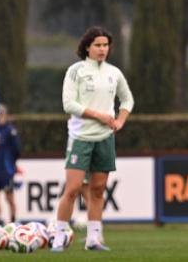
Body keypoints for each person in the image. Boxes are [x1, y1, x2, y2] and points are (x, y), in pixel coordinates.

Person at [50, 26, 133, 253]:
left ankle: (93, 239)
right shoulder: (75, 71)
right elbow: (69, 104)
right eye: (97, 45)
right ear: (87, 47)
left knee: (98, 190)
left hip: (105, 139)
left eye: (105, 45)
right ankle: (59, 237)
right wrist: (101, 116)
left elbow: (127, 100)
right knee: (73, 188)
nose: (102, 49)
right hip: (80, 138)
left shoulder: (114, 73)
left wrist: (120, 121)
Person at [0, 103, 21, 225]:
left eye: (2, 114)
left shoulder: (10, 131)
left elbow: (17, 150)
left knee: (9, 197)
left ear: (6, 115)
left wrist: (11, 164)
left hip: (7, 171)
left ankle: (13, 220)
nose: (0, 117)